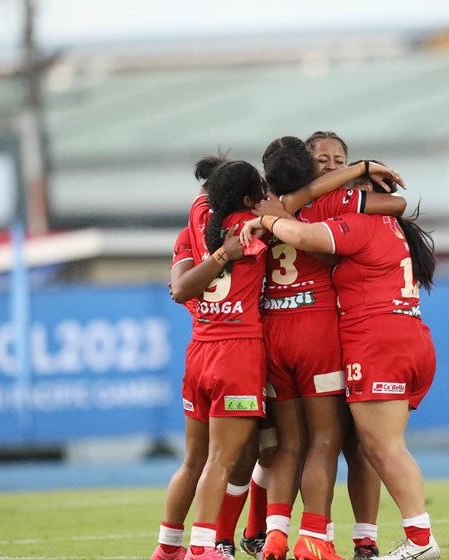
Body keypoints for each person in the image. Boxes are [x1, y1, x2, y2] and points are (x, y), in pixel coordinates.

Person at [241, 178, 441, 560]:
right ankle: (372, 539)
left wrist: (267, 219)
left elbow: (301, 233)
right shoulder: (393, 228)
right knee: (371, 446)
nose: (337, 199)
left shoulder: (361, 224)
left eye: (348, 193)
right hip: (408, 336)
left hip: (378, 340)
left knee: (381, 447)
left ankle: (419, 541)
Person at [172, 160, 270, 560]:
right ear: (248, 198)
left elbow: (179, 291)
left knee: (194, 459)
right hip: (237, 352)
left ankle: (168, 548)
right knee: (222, 460)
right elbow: (289, 213)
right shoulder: (251, 228)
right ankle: (203, 548)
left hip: (199, 349)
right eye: (260, 192)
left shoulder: (196, 219)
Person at [305, 131, 384, 560]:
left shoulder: (353, 207)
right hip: (315, 340)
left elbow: (397, 205)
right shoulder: (300, 203)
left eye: (340, 159)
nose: (333, 165)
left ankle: (365, 539)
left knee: (361, 443)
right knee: (307, 444)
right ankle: (307, 536)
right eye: (322, 159)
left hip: (355, 338)